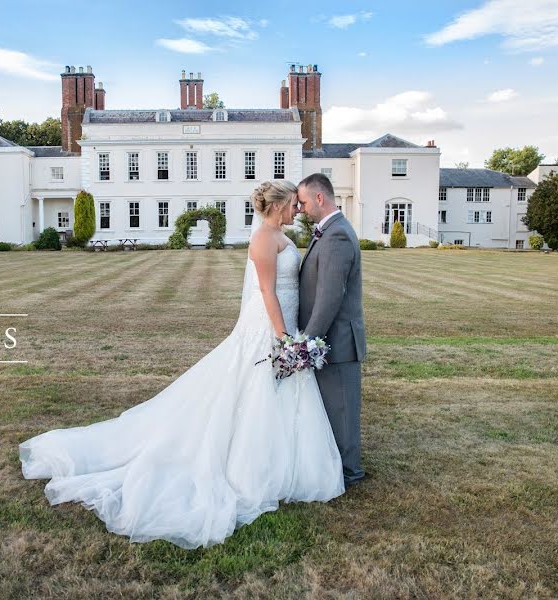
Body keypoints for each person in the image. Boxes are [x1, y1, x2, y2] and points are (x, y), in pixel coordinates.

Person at [19, 180, 344, 549]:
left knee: (279, 391)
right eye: (292, 205)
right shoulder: (262, 240)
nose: (297, 210)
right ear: (278, 205)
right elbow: (267, 291)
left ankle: (287, 463)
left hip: (284, 321)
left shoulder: (279, 235)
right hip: (268, 325)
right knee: (255, 388)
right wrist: (284, 335)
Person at [296, 173, 367, 488]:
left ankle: (349, 472)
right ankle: (335, 464)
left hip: (337, 339)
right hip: (330, 339)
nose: (301, 208)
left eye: (303, 202)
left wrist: (307, 342)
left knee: (342, 409)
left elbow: (329, 296)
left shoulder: (337, 235)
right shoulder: (329, 231)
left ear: (319, 198)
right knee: (332, 408)